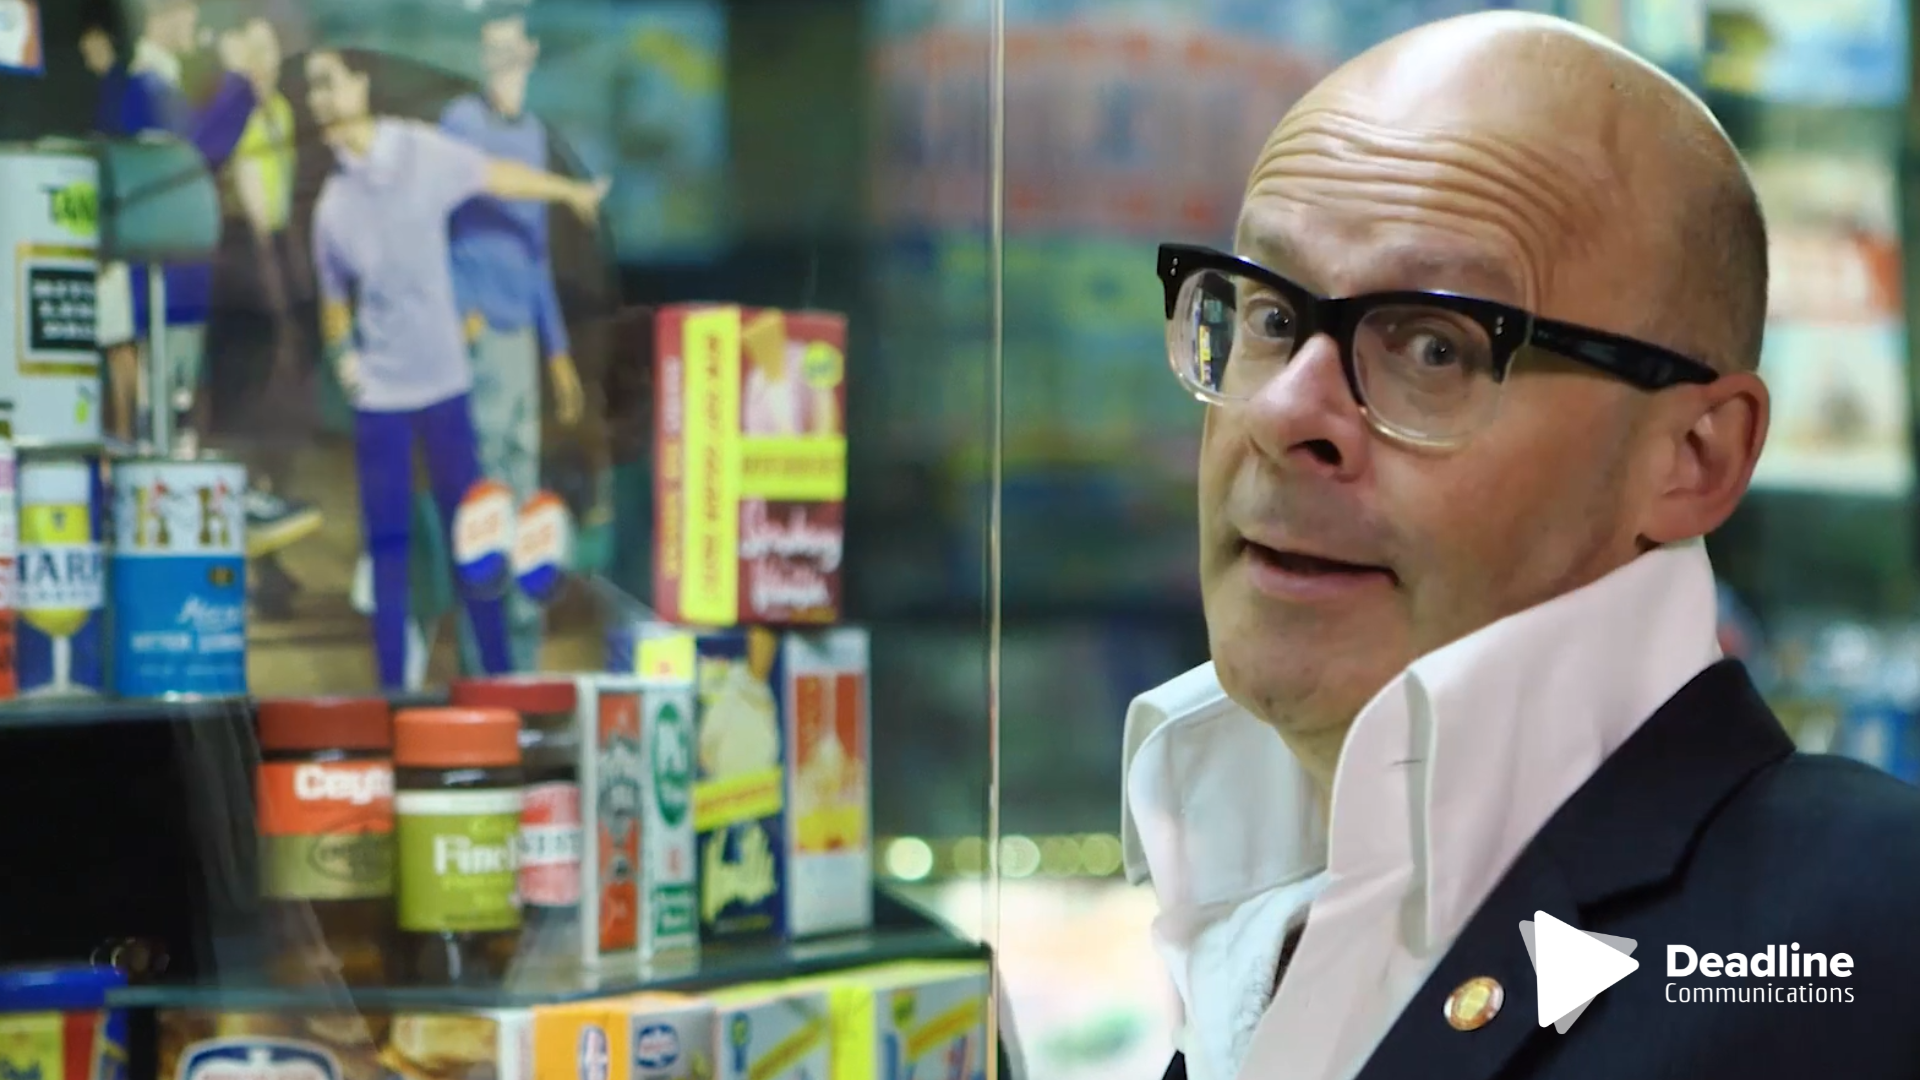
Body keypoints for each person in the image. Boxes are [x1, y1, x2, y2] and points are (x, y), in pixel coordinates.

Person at [1124, 13, 1920, 1080]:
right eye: (1268, 315)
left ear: (1694, 456)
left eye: (1433, 345)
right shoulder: (1236, 863)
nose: (1285, 412)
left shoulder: (1870, 939)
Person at [304, 48, 604, 690]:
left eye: (330, 84)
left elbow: (496, 175)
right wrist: (345, 360)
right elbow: (333, 302)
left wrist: (568, 191)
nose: (321, 100)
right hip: (380, 398)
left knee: (477, 540)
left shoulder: (419, 153)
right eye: (313, 90)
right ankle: (392, 688)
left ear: (362, 86)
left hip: (444, 384)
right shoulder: (331, 206)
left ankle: (496, 681)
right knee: (388, 547)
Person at [439, 9, 585, 672]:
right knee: (484, 501)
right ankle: (483, 660)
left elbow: (535, 256)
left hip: (522, 337)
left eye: (511, 50)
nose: (501, 62)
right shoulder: (461, 124)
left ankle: (518, 663)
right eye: (489, 50)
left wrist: (556, 353)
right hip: (479, 340)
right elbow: (432, 224)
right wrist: (460, 308)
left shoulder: (532, 134)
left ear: (528, 53)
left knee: (526, 495)